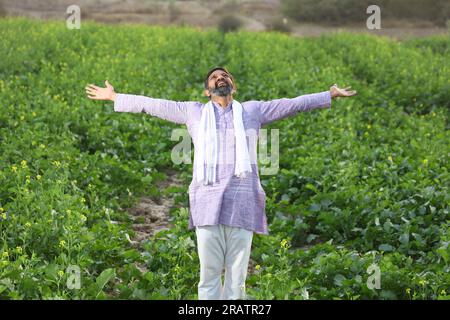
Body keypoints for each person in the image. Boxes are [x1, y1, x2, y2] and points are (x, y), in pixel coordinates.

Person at [85, 66, 356, 300]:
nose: (220, 78)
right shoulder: (193, 112)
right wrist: (115, 97)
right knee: (209, 274)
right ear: (207, 91)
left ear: (233, 86)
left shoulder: (253, 111)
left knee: (237, 278)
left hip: (243, 201)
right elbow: (154, 104)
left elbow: (291, 103)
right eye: (214, 77)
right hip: (207, 202)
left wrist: (327, 94)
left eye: (224, 76)